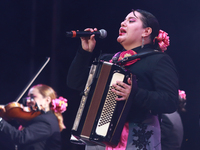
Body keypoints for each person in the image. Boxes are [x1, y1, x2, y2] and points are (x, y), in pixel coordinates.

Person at [67, 9, 179, 150]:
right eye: (123, 20)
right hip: (98, 139)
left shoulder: (158, 60)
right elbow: (75, 83)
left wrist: (134, 93)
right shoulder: (108, 60)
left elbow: (170, 101)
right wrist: (85, 52)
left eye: (131, 21)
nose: (123, 23)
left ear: (146, 31)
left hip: (134, 137)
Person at [0, 84, 67, 150]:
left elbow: (21, 138)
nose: (28, 101)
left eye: (32, 97)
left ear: (47, 100)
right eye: (28, 97)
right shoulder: (40, 118)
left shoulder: (46, 121)